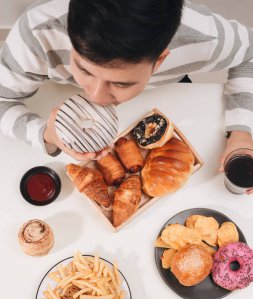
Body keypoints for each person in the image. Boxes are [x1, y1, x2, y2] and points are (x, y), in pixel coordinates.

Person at [0, 0, 253, 193]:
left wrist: (241, 132)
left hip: (173, 98)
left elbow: (249, 54)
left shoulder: (203, 38)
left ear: (160, 60)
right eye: (83, 69)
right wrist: (46, 134)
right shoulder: (36, 33)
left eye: (121, 82)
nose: (96, 96)